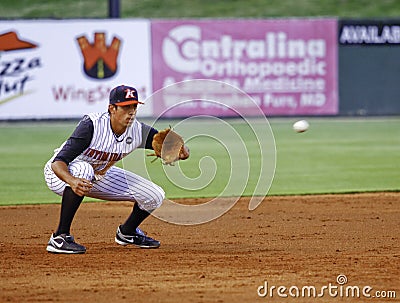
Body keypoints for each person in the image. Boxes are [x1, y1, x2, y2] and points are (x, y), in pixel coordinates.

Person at [44, 85, 189, 254]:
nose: (131, 111)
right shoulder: (91, 125)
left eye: (134, 106)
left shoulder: (139, 131)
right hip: (62, 175)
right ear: (111, 108)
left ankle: (127, 232)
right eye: (126, 107)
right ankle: (60, 237)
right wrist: (72, 180)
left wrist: (183, 152)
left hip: (98, 176)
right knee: (84, 169)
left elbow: (170, 146)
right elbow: (58, 162)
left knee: (155, 195)